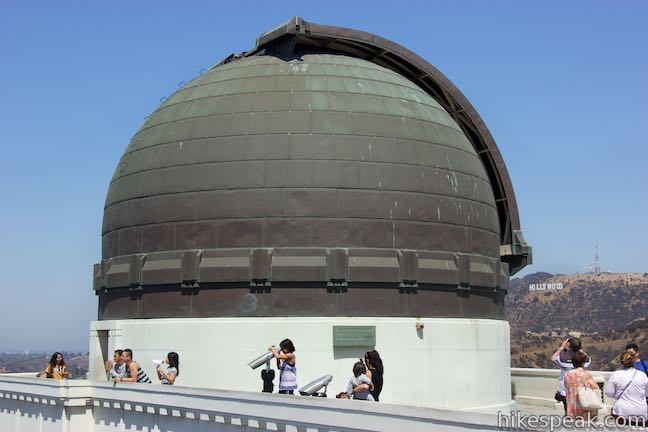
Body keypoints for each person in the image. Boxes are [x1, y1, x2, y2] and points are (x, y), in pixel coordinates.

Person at [604, 351, 648, 426]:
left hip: (622, 411)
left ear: (621, 362)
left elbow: (609, 393)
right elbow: (646, 393)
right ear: (633, 361)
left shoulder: (616, 375)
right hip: (641, 412)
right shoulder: (643, 375)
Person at [551, 338, 591, 413]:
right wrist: (579, 349)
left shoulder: (563, 360)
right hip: (580, 391)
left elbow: (553, 358)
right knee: (580, 414)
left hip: (566, 392)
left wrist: (562, 347)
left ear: (570, 346)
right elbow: (586, 357)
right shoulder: (585, 360)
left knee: (569, 413)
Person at [564, 351, 599, 420]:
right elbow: (596, 387)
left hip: (571, 405)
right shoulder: (586, 374)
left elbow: (566, 385)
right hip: (582, 404)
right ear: (583, 363)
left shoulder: (567, 374)